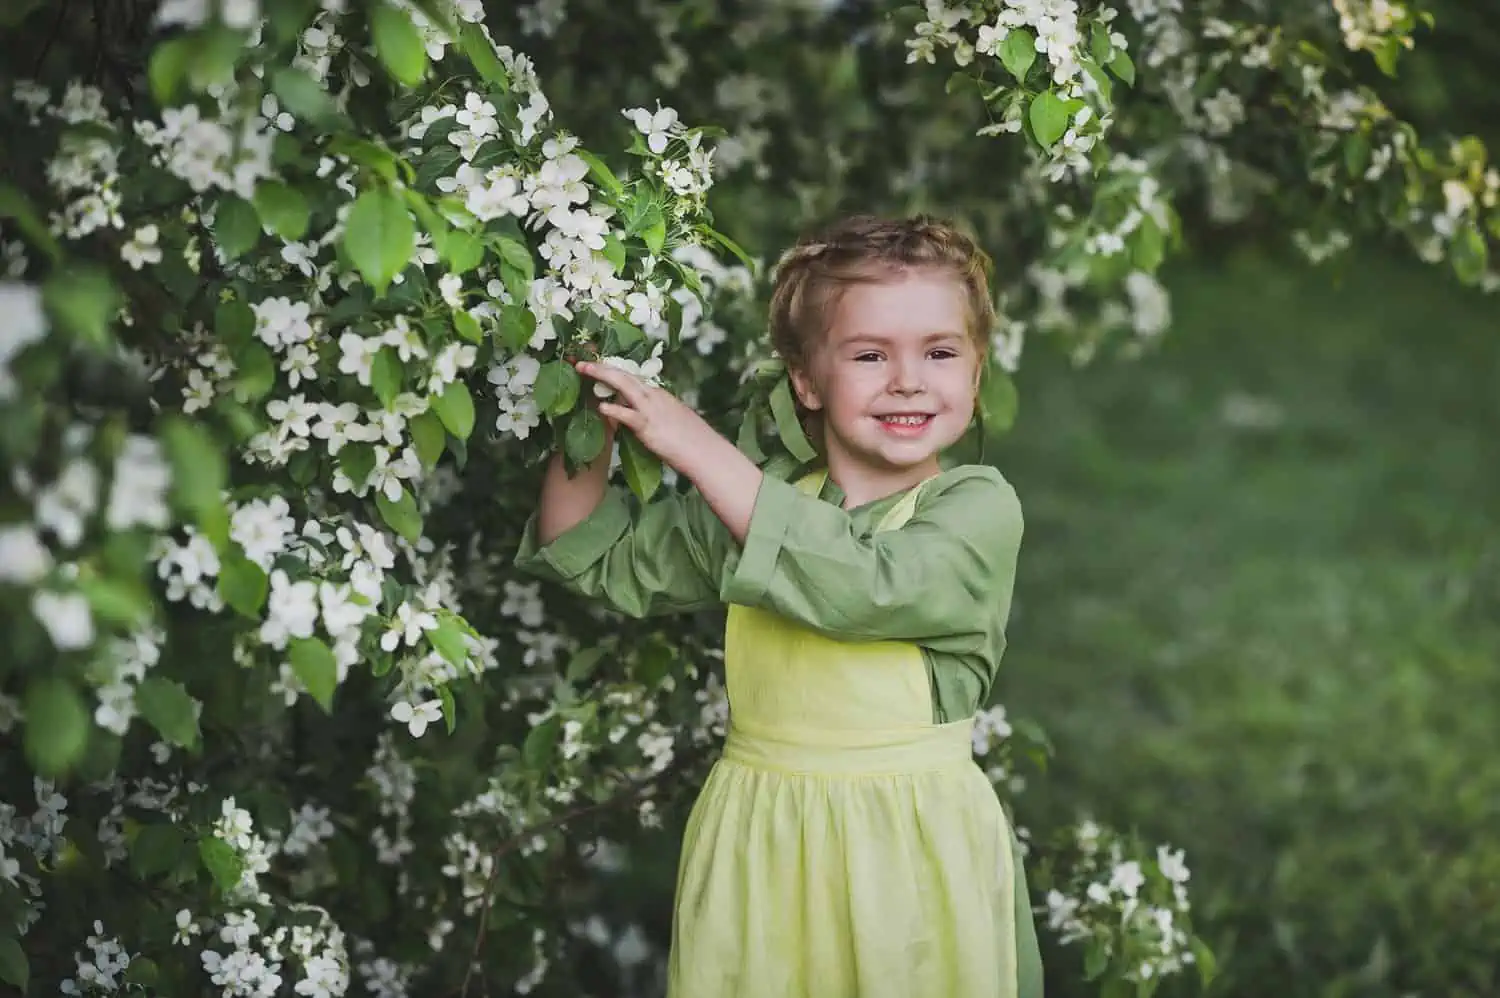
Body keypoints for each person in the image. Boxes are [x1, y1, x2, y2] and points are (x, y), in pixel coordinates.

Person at [515, 213, 1043, 998]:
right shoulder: (762, 507)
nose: (907, 380)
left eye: (939, 352)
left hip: (907, 854)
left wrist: (695, 444)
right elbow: (592, 554)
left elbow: (868, 583)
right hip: (762, 843)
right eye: (869, 355)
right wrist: (589, 400)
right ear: (806, 379)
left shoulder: (974, 510)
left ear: (974, 373)